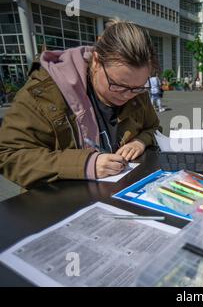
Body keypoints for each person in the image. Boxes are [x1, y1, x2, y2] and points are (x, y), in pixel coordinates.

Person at [0, 21, 162, 188]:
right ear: (97, 61)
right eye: (118, 85)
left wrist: (140, 141)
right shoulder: (43, 92)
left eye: (137, 88)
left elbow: (154, 128)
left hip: (120, 192)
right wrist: (84, 165)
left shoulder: (136, 91)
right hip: (61, 203)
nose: (128, 95)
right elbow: (9, 155)